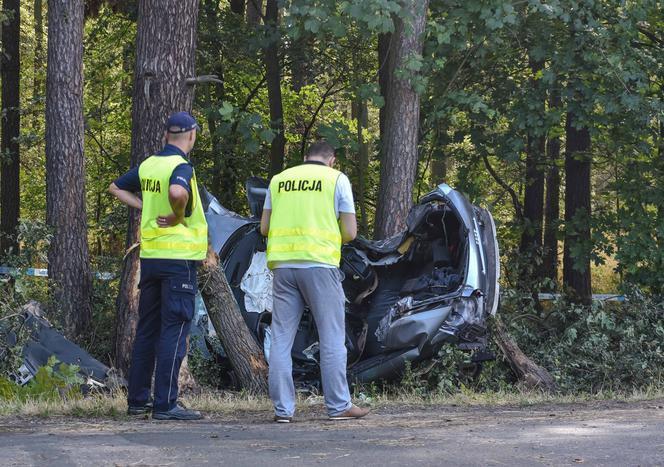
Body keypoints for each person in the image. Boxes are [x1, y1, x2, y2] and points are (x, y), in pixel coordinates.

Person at [260, 140, 370, 423]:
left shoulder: (280, 180)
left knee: (282, 338)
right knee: (332, 335)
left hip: (284, 266)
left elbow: (264, 227)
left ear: (305, 157)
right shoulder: (336, 179)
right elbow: (350, 231)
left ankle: (283, 411)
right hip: (320, 265)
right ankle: (338, 406)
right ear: (331, 159)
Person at [109, 111, 208, 421]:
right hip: (178, 261)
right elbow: (178, 192)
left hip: (151, 259)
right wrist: (178, 215)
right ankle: (165, 404)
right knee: (175, 330)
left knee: (148, 329)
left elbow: (115, 187)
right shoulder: (181, 167)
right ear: (191, 136)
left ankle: (137, 401)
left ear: (166, 135)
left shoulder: (150, 165)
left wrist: (145, 205)